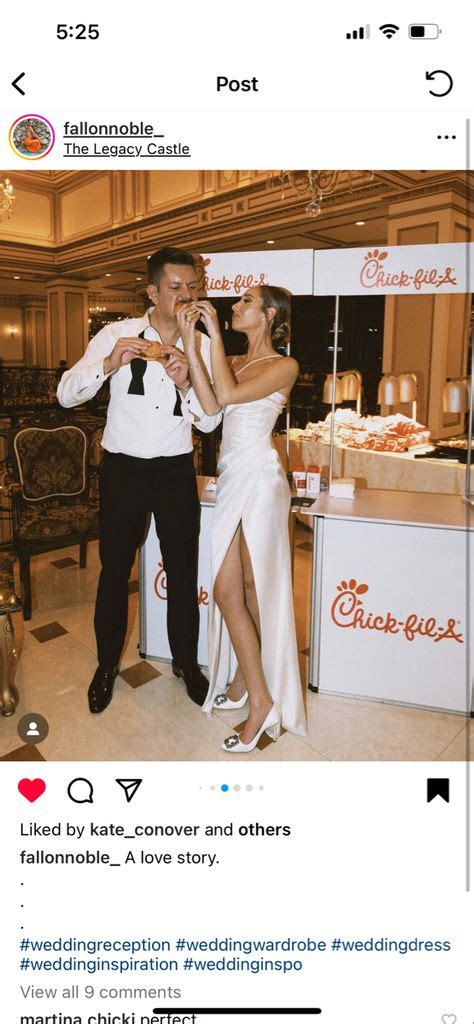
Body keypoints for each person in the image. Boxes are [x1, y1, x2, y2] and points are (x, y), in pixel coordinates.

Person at [57, 247, 222, 713]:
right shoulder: (116, 334)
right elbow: (65, 395)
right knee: (114, 572)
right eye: (176, 287)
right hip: (123, 470)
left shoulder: (203, 344)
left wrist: (187, 382)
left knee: (183, 571)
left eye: (193, 287)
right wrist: (108, 364)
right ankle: (106, 665)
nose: (186, 295)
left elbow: (211, 422)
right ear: (152, 291)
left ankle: (186, 664)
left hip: (175, 471)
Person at [167, 284, 308, 753]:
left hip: (260, 479)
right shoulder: (233, 361)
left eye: (246, 301)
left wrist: (207, 334)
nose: (234, 306)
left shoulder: (284, 365)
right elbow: (210, 409)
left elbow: (225, 393)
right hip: (231, 477)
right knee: (230, 592)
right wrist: (189, 363)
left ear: (270, 315)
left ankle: (260, 698)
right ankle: (251, 686)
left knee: (250, 588)